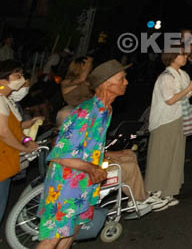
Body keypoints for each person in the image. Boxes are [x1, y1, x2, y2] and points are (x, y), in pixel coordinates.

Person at [36, 60, 127, 248]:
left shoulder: (106, 110)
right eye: (122, 79)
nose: (126, 82)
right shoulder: (85, 113)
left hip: (86, 181)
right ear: (106, 84)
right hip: (66, 183)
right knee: (52, 238)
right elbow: (59, 154)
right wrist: (91, 167)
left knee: (72, 232)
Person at [145, 50, 192, 201]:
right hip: (165, 120)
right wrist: (190, 87)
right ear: (172, 57)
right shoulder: (165, 77)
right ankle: (154, 191)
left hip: (179, 117)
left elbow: (185, 96)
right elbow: (170, 100)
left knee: (175, 155)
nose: (185, 58)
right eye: (182, 55)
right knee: (161, 155)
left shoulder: (182, 75)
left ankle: (169, 191)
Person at [0, 60, 41, 227]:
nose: (22, 78)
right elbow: (3, 133)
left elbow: (14, 130)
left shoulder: (6, 100)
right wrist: (23, 147)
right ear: (2, 80)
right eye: (17, 75)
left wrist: (26, 138)